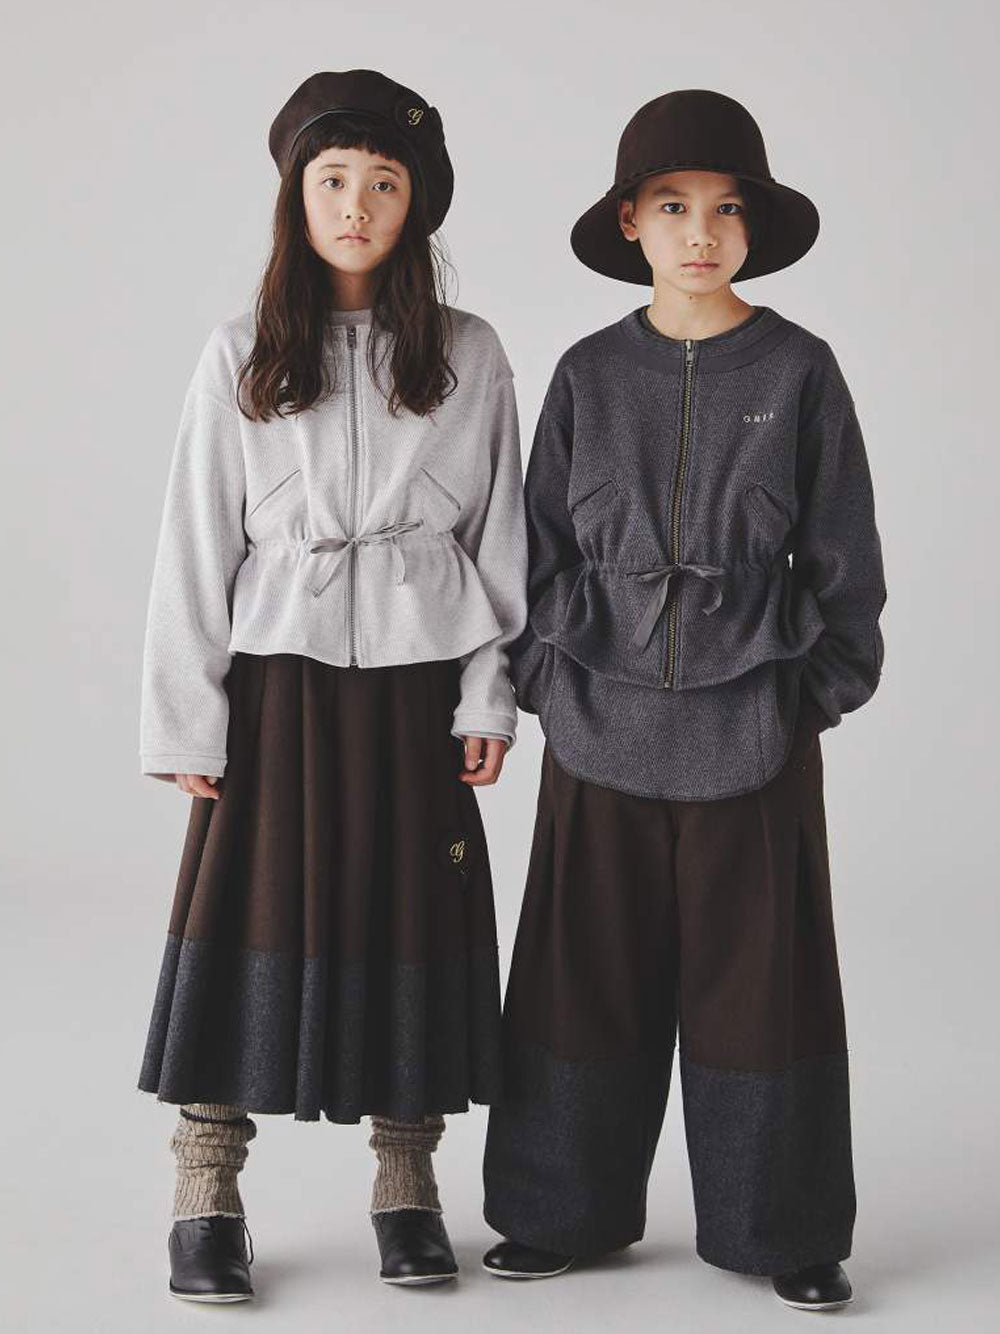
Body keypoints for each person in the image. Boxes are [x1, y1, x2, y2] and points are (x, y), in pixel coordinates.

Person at [481, 88, 886, 1313]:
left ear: (751, 226)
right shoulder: (588, 372)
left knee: (764, 990)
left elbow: (845, 558)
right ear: (631, 222)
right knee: (576, 978)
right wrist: (549, 682)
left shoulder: (800, 369)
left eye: (723, 209)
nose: (699, 232)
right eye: (671, 206)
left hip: (750, 734)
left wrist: (807, 695)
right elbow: (533, 550)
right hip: (597, 731)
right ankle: (558, 1210)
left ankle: (784, 1228)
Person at [137, 68, 527, 1302]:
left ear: (417, 205)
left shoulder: (468, 352)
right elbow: (196, 540)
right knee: (243, 925)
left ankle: (407, 1183)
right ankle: (205, 1192)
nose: (356, 205)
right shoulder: (241, 352)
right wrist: (188, 718)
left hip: (416, 686)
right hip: (275, 690)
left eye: (384, 182)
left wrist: (486, 694)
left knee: (413, 923)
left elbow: (501, 540)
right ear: (295, 196)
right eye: (332, 179)